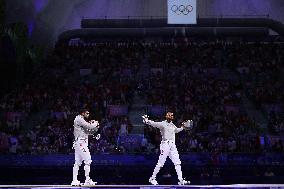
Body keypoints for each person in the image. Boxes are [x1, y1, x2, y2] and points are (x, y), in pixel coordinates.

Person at [142, 112, 190, 185]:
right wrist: (147, 120)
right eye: (169, 116)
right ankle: (152, 178)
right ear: (166, 117)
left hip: (172, 145)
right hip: (165, 145)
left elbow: (176, 130)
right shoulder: (162, 124)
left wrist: (182, 127)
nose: (170, 117)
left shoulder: (172, 125)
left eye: (171, 116)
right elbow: (154, 123)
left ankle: (180, 180)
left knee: (177, 163)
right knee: (161, 163)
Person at [71, 109, 100, 186]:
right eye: (87, 113)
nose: (88, 114)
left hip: (79, 143)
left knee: (77, 162)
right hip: (81, 143)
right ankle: (87, 180)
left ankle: (74, 180)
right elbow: (89, 126)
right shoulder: (79, 118)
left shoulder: (81, 121)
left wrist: (95, 132)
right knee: (88, 160)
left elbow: (87, 131)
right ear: (82, 113)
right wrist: (95, 123)